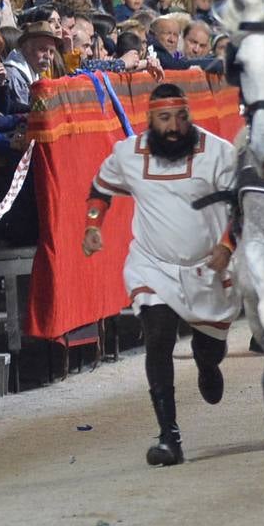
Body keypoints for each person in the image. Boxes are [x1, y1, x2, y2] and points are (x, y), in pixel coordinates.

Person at [82, 84, 238, 466]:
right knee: (159, 337)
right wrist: (92, 225)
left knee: (210, 346)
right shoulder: (127, 154)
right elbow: (99, 190)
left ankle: (207, 361)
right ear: (149, 119)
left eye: (180, 117)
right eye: (164, 118)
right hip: (152, 264)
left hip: (207, 268)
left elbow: (244, 203)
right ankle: (169, 436)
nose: (173, 127)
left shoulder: (219, 153)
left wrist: (228, 244)